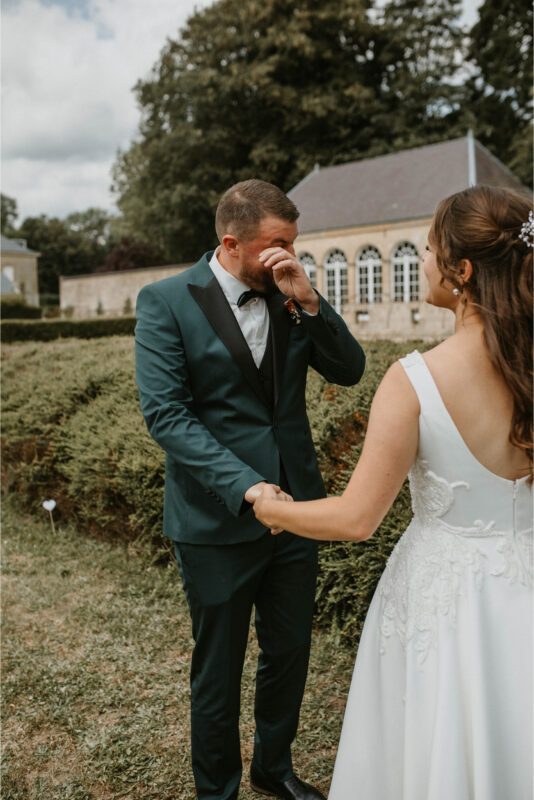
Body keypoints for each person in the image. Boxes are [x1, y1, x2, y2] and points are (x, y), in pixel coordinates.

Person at [253, 184, 533, 800]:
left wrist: (275, 507)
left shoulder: (415, 380)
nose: (424, 262)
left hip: (446, 599)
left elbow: (356, 518)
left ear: (460, 271)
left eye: (430, 250)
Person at [134, 179, 366, 800]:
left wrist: (310, 300)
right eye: (277, 245)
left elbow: (349, 370)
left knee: (288, 651)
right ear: (232, 243)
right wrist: (248, 488)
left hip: (298, 511)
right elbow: (167, 416)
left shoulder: (289, 292)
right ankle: (218, 790)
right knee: (219, 667)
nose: (288, 255)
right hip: (216, 518)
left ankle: (274, 767)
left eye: (294, 242)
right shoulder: (165, 301)